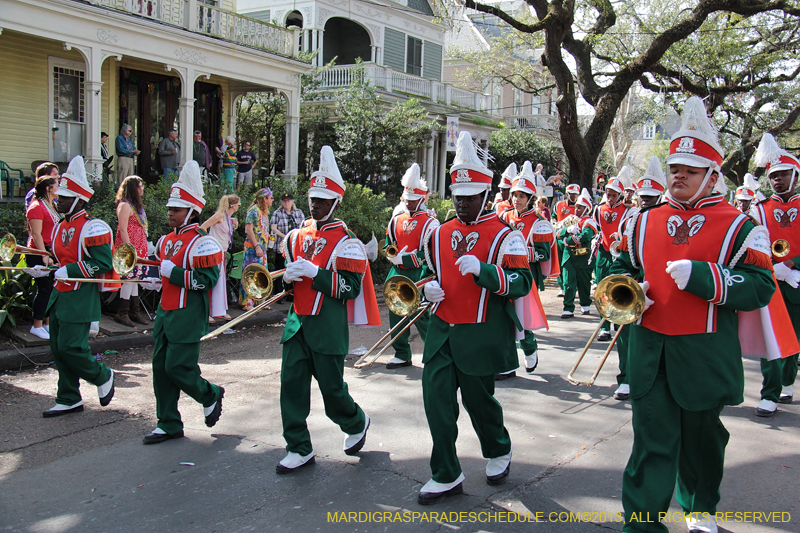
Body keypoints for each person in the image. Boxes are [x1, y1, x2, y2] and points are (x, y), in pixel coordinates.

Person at [611, 96, 775, 533]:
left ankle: (700, 507)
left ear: (713, 176)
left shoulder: (742, 226)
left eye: (689, 170)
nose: (678, 176)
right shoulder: (641, 221)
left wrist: (705, 277)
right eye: (674, 169)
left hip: (703, 355)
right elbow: (620, 270)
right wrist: (630, 286)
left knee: (702, 443)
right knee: (651, 445)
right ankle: (642, 525)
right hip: (648, 353)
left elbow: (761, 288)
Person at [415, 131, 532, 504]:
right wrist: (426, 288)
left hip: (481, 335)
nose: (462, 203)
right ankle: (446, 472)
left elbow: (522, 281)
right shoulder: (438, 233)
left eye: (470, 197)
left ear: (485, 195)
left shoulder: (505, 236)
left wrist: (486, 272)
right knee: (436, 402)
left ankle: (499, 448)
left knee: (480, 403)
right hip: (441, 331)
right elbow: (426, 271)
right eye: (457, 196)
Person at [275, 145, 377, 474]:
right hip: (297, 324)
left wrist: (314, 274)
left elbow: (350, 288)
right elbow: (292, 280)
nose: (315, 205)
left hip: (328, 327)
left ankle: (356, 421)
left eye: (322, 200)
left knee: (333, 392)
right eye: (312, 200)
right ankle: (298, 446)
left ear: (335, 201)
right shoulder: (297, 235)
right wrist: (289, 279)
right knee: (290, 385)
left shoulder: (348, 242)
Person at [143, 160, 225, 444]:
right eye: (169, 209)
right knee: (160, 369)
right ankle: (167, 422)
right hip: (166, 314)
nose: (170, 213)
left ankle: (210, 393)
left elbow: (207, 281)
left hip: (189, 314)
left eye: (176, 210)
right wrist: (156, 280)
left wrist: (174, 274)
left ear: (191, 211)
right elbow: (164, 272)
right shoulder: (165, 241)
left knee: (178, 367)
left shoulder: (203, 241)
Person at [43, 156, 116, 418]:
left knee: (72, 347)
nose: (58, 200)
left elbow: (103, 263)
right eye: (58, 196)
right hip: (60, 294)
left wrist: (70, 270)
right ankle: (68, 397)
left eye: (64, 197)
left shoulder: (93, 227)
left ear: (79, 199)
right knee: (58, 349)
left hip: (80, 295)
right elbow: (61, 259)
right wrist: (48, 268)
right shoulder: (61, 225)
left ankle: (102, 375)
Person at [610, 157, 667, 402]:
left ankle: (652, 380)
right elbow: (621, 261)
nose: (645, 201)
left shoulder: (668, 224)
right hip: (636, 290)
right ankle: (626, 379)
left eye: (651, 198)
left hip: (662, 295)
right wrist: (625, 281)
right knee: (625, 336)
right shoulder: (632, 225)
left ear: (661, 198)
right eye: (642, 197)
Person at [752, 133, 800, 417]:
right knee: (771, 338)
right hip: (770, 281)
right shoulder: (759, 210)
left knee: (794, 338)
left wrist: (792, 264)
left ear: (795, 175)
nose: (777, 180)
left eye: (783, 175)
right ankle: (768, 393)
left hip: (797, 281)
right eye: (773, 176)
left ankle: (787, 381)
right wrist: (773, 268)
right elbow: (753, 247)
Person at [497, 161, 553, 379]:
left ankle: (530, 350)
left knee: (521, 320)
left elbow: (544, 253)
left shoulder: (538, 222)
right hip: (503, 275)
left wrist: (522, 253)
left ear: (530, 198)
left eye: (521, 196)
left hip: (525, 277)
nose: (516, 199)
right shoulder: (503, 216)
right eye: (514, 195)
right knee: (503, 319)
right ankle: (508, 364)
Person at [382, 162, 439, 370]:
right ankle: (401, 353)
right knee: (394, 312)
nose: (410, 203)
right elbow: (388, 244)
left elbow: (430, 255)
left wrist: (405, 259)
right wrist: (391, 256)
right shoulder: (396, 218)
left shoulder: (431, 223)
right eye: (407, 200)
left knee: (421, 315)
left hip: (419, 274)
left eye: (414, 200)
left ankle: (434, 351)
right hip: (396, 273)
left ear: (423, 198)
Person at [592, 167, 632, 338]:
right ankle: (604, 326)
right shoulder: (598, 209)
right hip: (604, 253)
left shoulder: (628, 211)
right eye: (608, 193)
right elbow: (597, 228)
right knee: (602, 291)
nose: (610, 197)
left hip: (620, 255)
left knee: (617, 288)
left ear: (620, 195)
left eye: (614, 194)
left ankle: (618, 320)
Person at [25, 168, 61, 339]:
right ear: (48, 188)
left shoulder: (51, 205)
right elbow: (36, 233)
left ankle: (47, 323)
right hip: (38, 252)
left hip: (50, 251)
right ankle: (37, 324)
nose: (59, 187)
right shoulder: (36, 206)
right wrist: (43, 254)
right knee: (44, 288)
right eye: (56, 185)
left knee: (52, 288)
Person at [113, 176, 149, 327]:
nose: (142, 188)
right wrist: (129, 249)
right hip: (129, 248)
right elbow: (122, 228)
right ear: (133, 188)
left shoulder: (135, 205)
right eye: (140, 186)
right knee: (129, 280)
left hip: (139, 246)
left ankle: (134, 312)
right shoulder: (125, 205)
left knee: (135, 280)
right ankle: (122, 313)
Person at [200, 194, 240, 322]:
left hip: (221, 252)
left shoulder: (227, 217)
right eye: (238, 204)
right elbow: (202, 227)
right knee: (212, 281)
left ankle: (218, 310)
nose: (239, 206)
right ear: (233, 205)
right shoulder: (219, 215)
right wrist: (207, 243)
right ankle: (205, 312)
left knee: (220, 281)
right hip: (213, 251)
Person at [557, 189, 597, 319]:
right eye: (577, 207)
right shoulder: (570, 219)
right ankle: (568, 307)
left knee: (584, 283)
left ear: (587, 209)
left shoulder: (589, 222)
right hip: (569, 257)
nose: (576, 209)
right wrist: (566, 230)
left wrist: (567, 240)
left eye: (580, 207)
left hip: (583, 257)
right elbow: (557, 232)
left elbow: (586, 236)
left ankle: (585, 304)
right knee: (568, 282)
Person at [240, 188, 274, 310]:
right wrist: (256, 246)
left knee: (262, 274)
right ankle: (247, 302)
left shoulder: (263, 212)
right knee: (251, 274)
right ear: (264, 199)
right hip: (253, 249)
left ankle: (260, 300)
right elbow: (249, 229)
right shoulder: (254, 211)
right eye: (271, 198)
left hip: (262, 248)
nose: (272, 200)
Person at [551, 183, 580, 298]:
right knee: (559, 262)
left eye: (575, 195)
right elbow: (553, 216)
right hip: (560, 236)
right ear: (567, 194)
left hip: (573, 239)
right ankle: (562, 287)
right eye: (571, 194)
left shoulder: (580, 205)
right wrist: (555, 224)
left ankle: (573, 286)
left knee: (572, 264)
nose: (573, 197)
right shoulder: (559, 205)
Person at [270, 193, 305, 272]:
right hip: (281, 246)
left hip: (295, 246)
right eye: (284, 201)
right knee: (280, 270)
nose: (286, 203)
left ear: (292, 202)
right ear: (282, 202)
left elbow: (303, 227)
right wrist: (285, 236)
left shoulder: (298, 212)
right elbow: (273, 228)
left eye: (288, 201)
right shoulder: (277, 213)